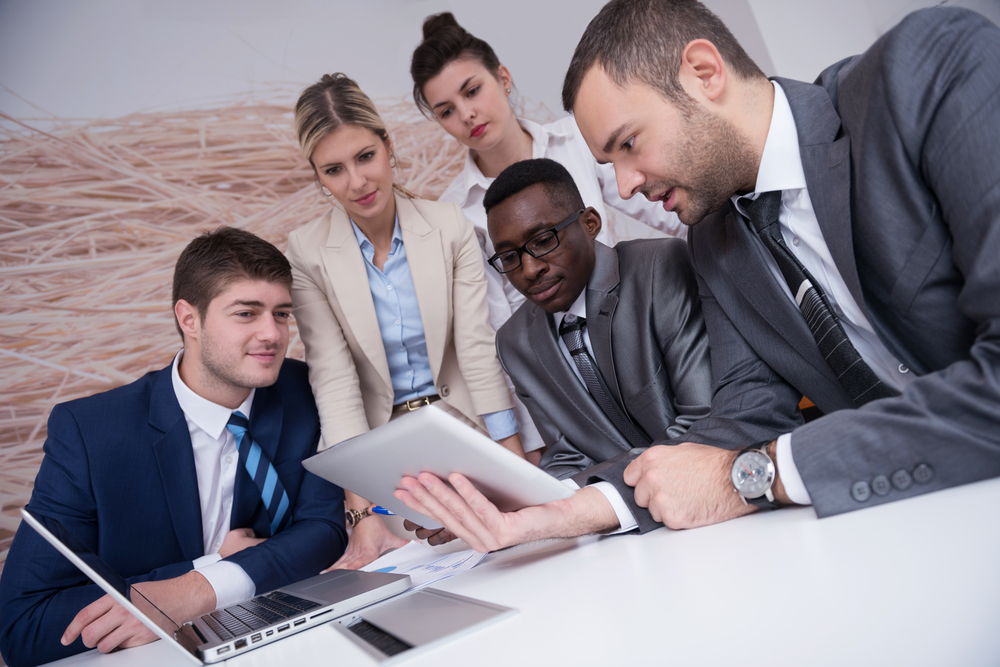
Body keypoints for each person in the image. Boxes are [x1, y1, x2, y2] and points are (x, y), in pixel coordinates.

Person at [395, 0, 1000, 551]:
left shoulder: (927, 72)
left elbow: (739, 466)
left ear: (704, 73)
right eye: (610, 163)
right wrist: (553, 513)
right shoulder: (715, 240)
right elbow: (746, 411)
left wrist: (753, 477)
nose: (625, 186)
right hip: (913, 525)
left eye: (629, 144)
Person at [0, 227, 346, 667]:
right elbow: (22, 626)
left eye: (281, 314)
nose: (273, 335)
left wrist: (202, 590)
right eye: (246, 313)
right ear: (189, 319)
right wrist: (200, 573)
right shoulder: (91, 434)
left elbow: (324, 531)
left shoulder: (308, 390)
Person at [410, 12, 687, 458]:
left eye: (472, 91)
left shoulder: (577, 141)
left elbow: (668, 210)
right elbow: (499, 330)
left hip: (636, 333)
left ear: (502, 78)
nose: (467, 115)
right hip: (559, 369)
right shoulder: (454, 213)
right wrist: (535, 445)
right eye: (446, 111)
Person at [285, 73, 524, 570]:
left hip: (465, 431)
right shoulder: (308, 253)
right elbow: (334, 381)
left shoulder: (449, 225)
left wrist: (513, 460)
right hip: (384, 455)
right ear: (318, 176)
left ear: (388, 147)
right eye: (334, 169)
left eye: (365, 157)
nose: (357, 182)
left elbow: (477, 348)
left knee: (507, 561)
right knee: (417, 575)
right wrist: (361, 508)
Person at [487, 158, 712, 483]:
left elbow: (702, 417)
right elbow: (567, 457)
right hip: (627, 521)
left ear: (590, 223)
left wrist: (601, 497)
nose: (529, 270)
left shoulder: (658, 268)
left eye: (543, 241)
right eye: (509, 257)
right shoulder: (514, 342)